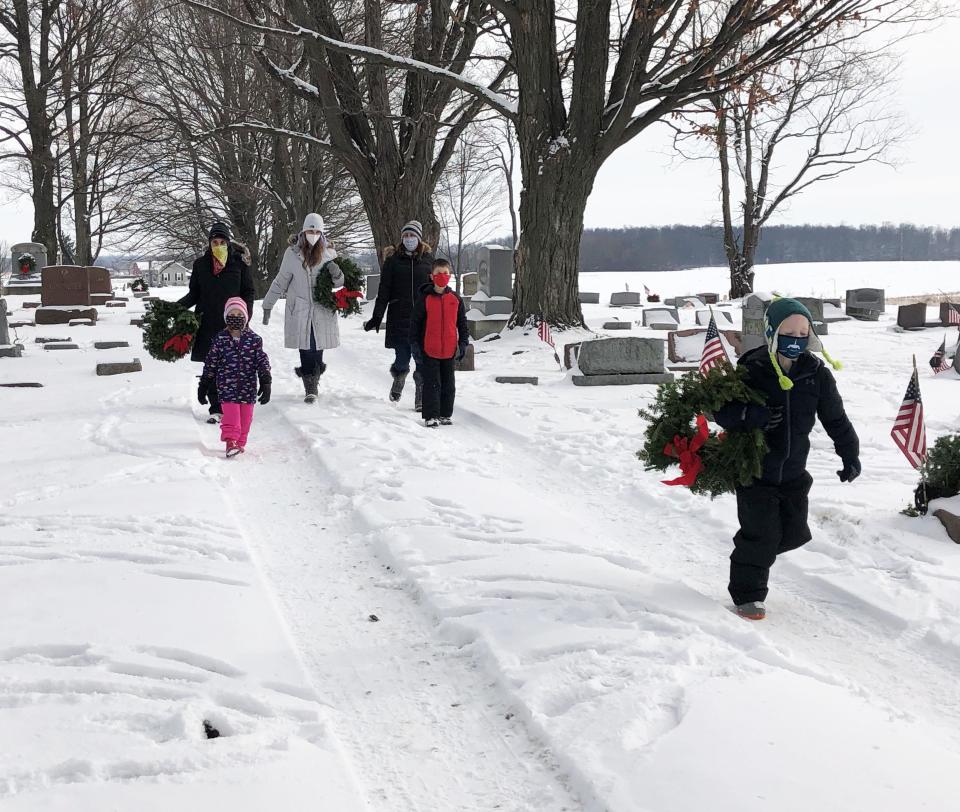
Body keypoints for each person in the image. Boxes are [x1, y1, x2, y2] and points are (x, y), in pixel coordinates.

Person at [714, 298, 860, 620]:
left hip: (794, 471)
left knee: (793, 533)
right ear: (772, 333)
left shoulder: (816, 374)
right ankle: (748, 595)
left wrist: (849, 453)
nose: (796, 340)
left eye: (802, 333)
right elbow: (722, 411)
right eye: (788, 332)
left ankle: (755, 553)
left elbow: (836, 418)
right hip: (755, 471)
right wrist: (754, 416)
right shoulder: (753, 368)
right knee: (761, 536)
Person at [262, 214, 344, 404]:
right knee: (306, 347)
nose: (313, 235)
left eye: (316, 231)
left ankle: (314, 379)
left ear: (321, 233)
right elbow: (280, 281)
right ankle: (310, 386)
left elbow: (339, 282)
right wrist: (267, 305)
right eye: (310, 231)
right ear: (303, 232)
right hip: (299, 308)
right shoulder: (292, 254)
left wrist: (337, 273)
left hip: (322, 307)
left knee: (317, 346)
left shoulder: (329, 254)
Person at [179, 221, 256, 423]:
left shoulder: (239, 263)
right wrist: (175, 308)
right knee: (211, 366)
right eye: (215, 241)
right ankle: (216, 408)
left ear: (228, 243)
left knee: (230, 366)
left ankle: (232, 406)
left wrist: (245, 315)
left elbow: (248, 291)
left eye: (222, 241)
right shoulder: (200, 265)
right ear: (210, 243)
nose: (218, 245)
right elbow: (194, 294)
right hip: (207, 322)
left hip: (233, 324)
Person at [363, 220, 434, 408]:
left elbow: (437, 289)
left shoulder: (428, 261)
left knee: (421, 358)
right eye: (406, 236)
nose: (409, 239)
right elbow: (384, 290)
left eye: (412, 235)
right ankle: (399, 378)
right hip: (399, 316)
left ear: (419, 238)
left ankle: (421, 394)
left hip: (423, 318)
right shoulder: (393, 261)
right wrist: (377, 316)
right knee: (402, 357)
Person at [198, 298, 271, 458]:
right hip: (226, 388)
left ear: (245, 317)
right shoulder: (220, 340)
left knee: (245, 420)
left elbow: (261, 360)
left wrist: (266, 380)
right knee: (232, 419)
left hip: (248, 389)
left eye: (239, 314)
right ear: (226, 317)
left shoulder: (254, 340)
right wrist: (204, 384)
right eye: (232, 314)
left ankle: (240, 443)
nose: (236, 317)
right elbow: (211, 362)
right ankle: (231, 441)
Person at [409, 258, 469, 428]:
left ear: (449, 276)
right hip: (429, 349)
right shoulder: (425, 299)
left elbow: (462, 323)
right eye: (438, 273)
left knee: (448, 385)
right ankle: (431, 415)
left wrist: (463, 343)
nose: (442, 276)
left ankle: (444, 413)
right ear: (432, 276)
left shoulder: (455, 299)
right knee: (431, 384)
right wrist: (414, 345)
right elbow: (415, 323)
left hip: (449, 350)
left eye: (445, 273)